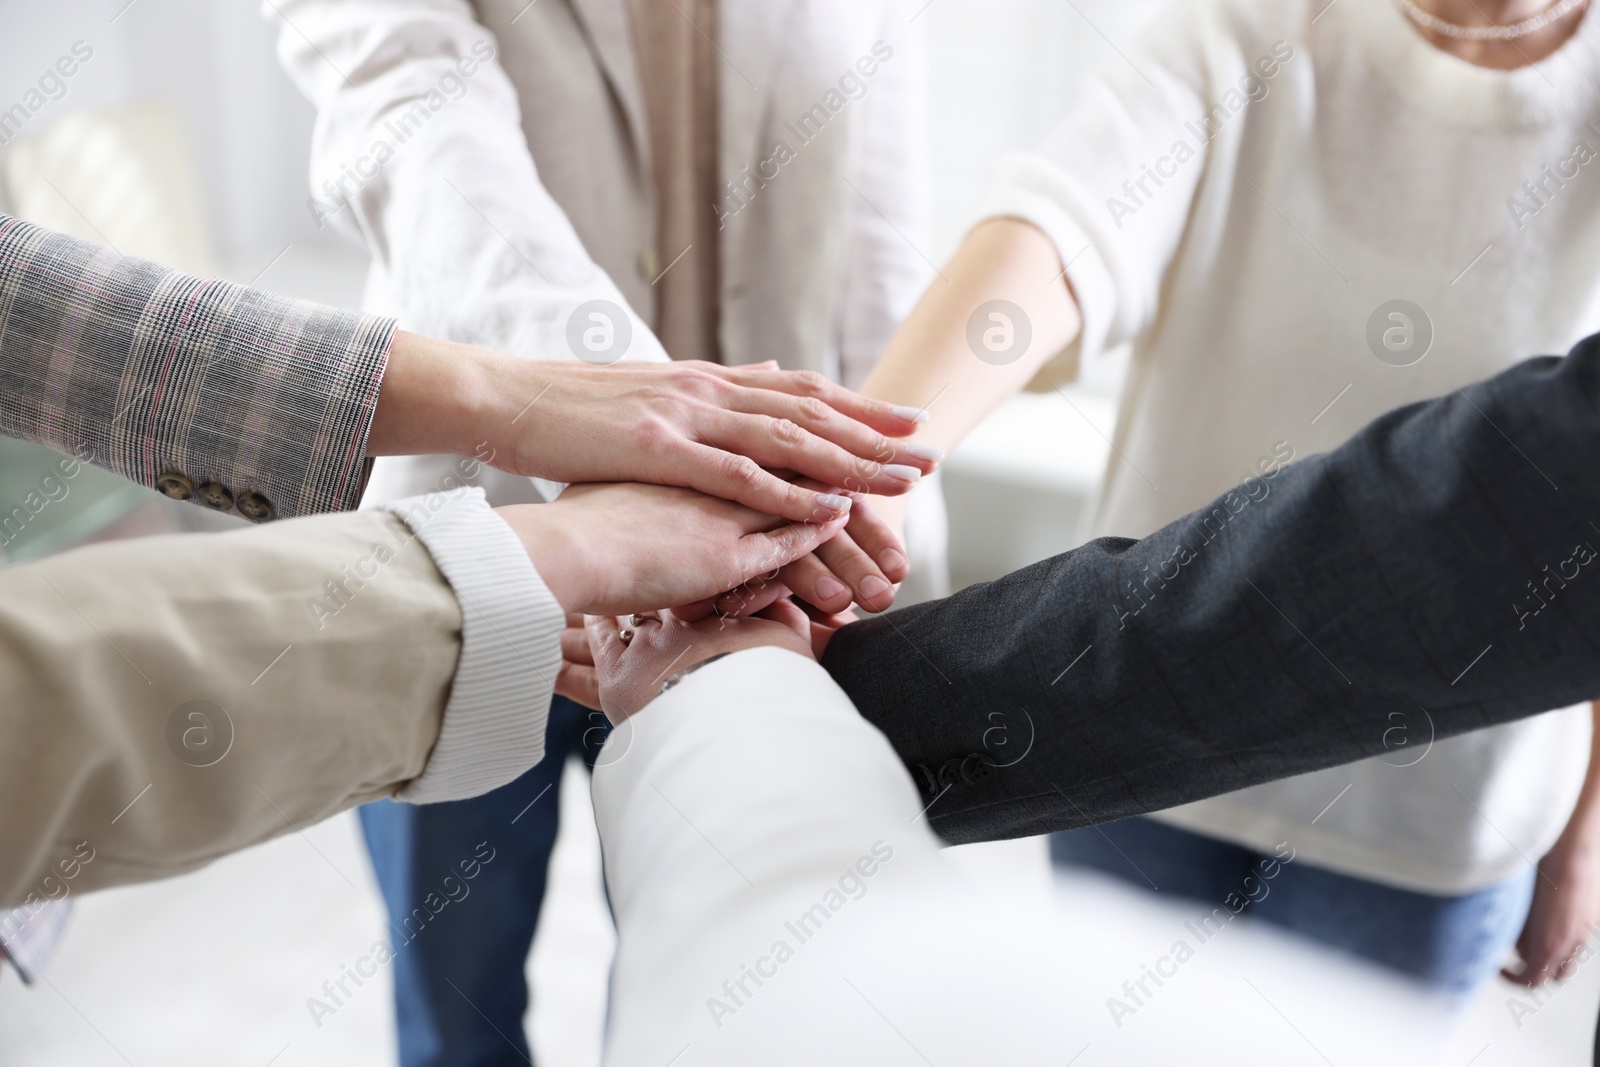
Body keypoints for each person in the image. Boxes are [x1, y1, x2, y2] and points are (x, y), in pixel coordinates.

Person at [18, 335, 1600, 1063]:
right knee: (457, 986)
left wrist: (749, 648)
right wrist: (547, 417)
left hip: (688, 565)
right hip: (569, 529)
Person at [785, 0, 1600, 994]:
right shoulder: (1251, 32)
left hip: (1429, 815)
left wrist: (1586, 829)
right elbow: (1061, 229)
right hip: (1137, 751)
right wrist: (872, 461)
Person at [269, 1, 941, 1060]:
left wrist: (876, 512)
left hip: (774, 582)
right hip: (475, 540)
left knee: (714, 995)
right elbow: (409, 120)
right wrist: (658, 437)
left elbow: (882, 252)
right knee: (456, 1009)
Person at [0, 211, 923, 975]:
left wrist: (513, 403)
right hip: (469, 514)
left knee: (682, 960)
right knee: (451, 983)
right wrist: (566, 518)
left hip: (712, 568)